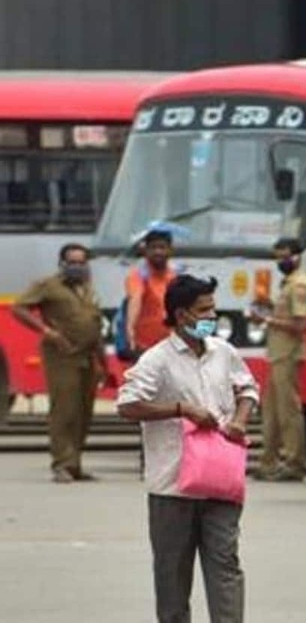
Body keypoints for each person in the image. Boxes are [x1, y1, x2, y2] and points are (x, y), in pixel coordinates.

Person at [116, 275, 259, 623]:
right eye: (204, 310)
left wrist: (240, 419)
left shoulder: (223, 352)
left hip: (222, 481)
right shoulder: (157, 359)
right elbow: (127, 405)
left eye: (212, 307)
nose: (212, 315)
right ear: (181, 316)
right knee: (172, 574)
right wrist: (181, 409)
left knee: (225, 563)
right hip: (173, 485)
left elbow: (249, 388)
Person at [12, 243, 109, 483]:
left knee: (83, 412)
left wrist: (103, 363)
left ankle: (75, 463)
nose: (77, 267)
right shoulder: (48, 285)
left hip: (88, 356)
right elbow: (19, 308)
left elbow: (94, 326)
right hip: (62, 355)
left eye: (81, 262)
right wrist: (47, 332)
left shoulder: (88, 289)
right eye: (72, 262)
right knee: (64, 409)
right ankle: (62, 464)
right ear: (62, 264)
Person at [250, 237, 306, 482]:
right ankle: (269, 461)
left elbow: (302, 324)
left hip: (288, 354)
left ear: (297, 256)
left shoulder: (299, 285)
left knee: (288, 411)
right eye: (277, 256)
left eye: (285, 256)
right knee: (271, 410)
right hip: (278, 354)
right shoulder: (288, 283)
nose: (281, 261)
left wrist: (266, 321)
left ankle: (294, 462)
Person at [125, 229, 178, 359]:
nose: (158, 252)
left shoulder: (175, 277)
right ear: (145, 251)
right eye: (153, 247)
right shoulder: (138, 276)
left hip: (172, 347)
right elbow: (135, 299)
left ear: (170, 250)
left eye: (162, 247)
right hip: (144, 348)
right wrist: (130, 328)